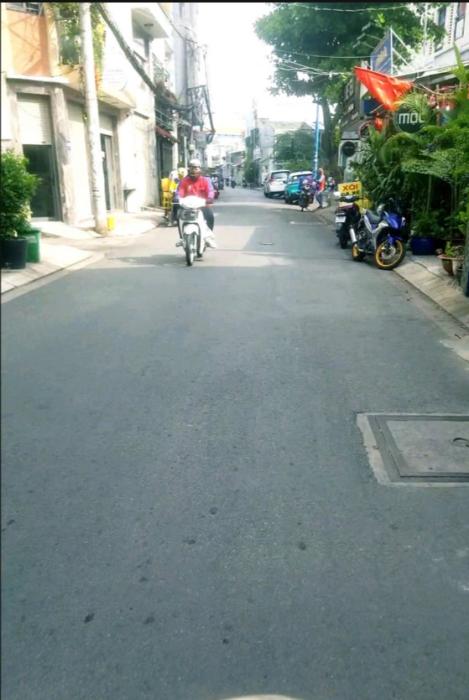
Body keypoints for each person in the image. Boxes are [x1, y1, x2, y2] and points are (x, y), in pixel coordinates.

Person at [175, 159, 217, 248]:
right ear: (188, 169)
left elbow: (210, 191)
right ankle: (182, 238)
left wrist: (210, 198)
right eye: (192, 168)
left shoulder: (205, 180)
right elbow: (179, 191)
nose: (194, 170)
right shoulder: (184, 181)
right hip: (187, 206)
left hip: (202, 205)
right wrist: (177, 198)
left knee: (210, 216)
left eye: (196, 168)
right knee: (178, 215)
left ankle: (208, 238)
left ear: (200, 169)